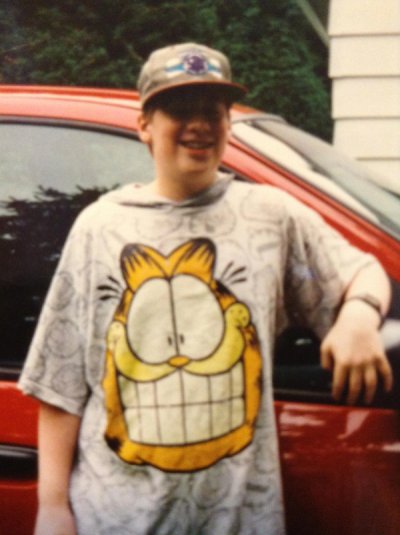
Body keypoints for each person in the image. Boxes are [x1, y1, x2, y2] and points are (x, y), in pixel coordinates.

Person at [19, 42, 393, 535]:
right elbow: (61, 382)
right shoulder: (100, 227)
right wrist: (51, 507)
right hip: (116, 519)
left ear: (228, 123)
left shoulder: (269, 215)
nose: (198, 124)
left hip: (240, 522)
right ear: (145, 125)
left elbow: (363, 269)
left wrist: (359, 315)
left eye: (212, 111)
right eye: (179, 109)